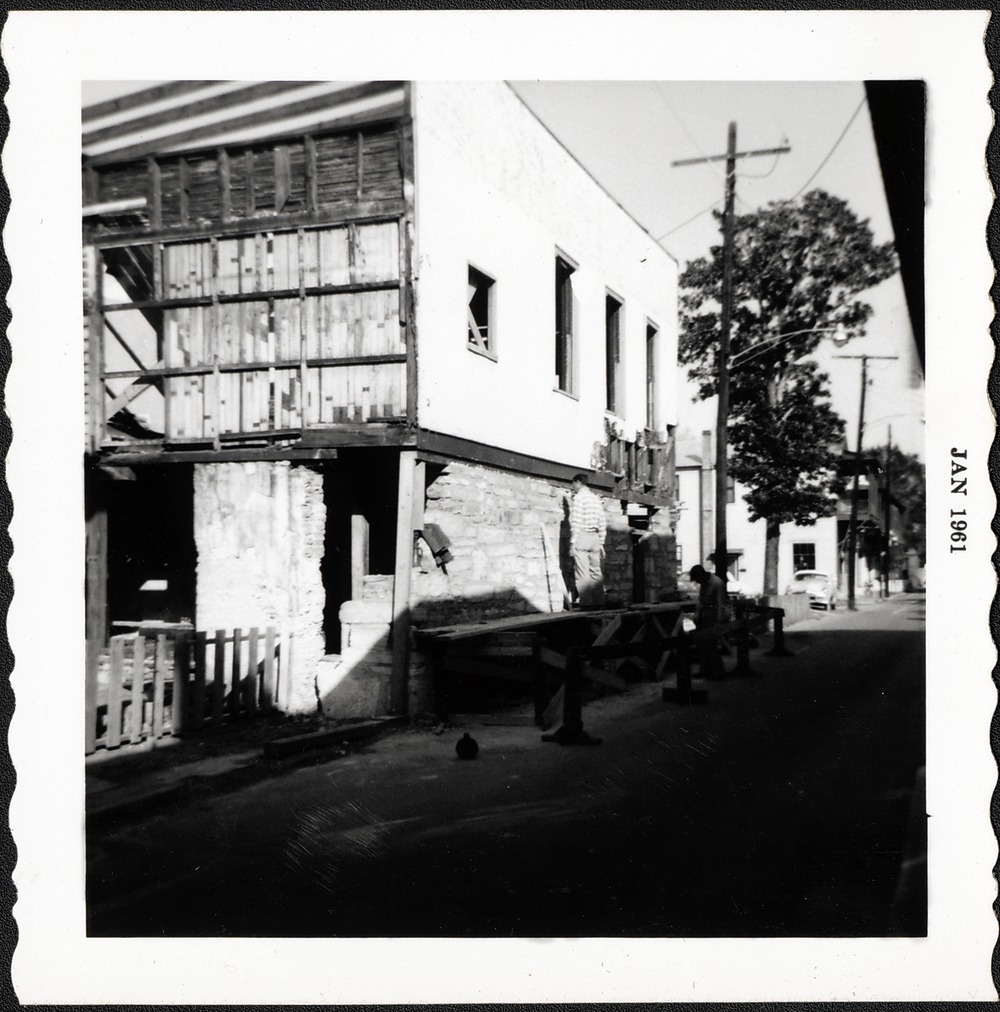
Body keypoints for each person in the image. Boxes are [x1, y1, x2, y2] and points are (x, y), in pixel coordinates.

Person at [568, 473, 607, 608]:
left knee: (582, 571)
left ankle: (587, 603)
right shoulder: (596, 499)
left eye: (573, 484)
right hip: (595, 537)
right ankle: (599, 602)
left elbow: (576, 521)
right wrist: (601, 541)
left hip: (583, 536)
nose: (573, 487)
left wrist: (573, 542)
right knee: (596, 571)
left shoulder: (579, 498)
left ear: (578, 482)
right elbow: (602, 520)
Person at [688, 564, 728, 679]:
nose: (698, 582)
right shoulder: (704, 583)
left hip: (713, 615)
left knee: (711, 644)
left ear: (701, 576)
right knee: (702, 643)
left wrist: (719, 621)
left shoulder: (717, 583)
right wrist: (696, 615)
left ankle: (719, 672)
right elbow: (701, 600)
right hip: (704, 615)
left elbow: (721, 604)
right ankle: (704, 670)